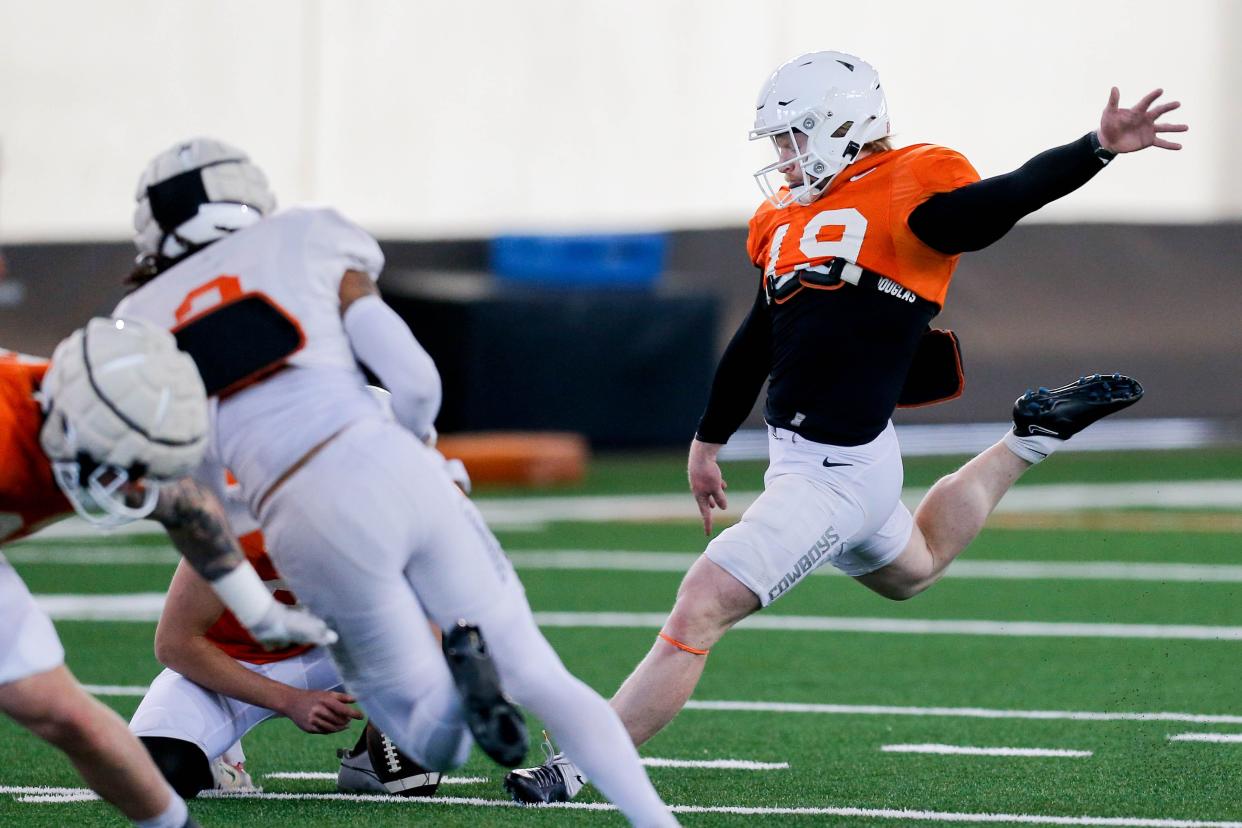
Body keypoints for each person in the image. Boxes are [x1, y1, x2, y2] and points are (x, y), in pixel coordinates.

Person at [503, 50, 1185, 803]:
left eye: (793, 136)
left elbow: (999, 202)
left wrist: (1093, 150)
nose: (783, 156)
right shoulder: (785, 220)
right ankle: (1030, 438)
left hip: (829, 472)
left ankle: (578, 764)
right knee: (914, 567)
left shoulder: (912, 186)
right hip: (845, 462)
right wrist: (709, 435)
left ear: (843, 123)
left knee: (701, 606)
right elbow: (760, 333)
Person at [113, 138, 676, 826]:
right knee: (538, 672)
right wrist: (422, 452)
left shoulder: (148, 325)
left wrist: (266, 592)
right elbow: (414, 380)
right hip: (399, 461)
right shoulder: (312, 235)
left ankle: (453, 715)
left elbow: (201, 503)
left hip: (305, 506)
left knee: (430, 732)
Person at [0, 319, 334, 828]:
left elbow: (188, 512)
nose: (122, 484)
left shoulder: (100, 414)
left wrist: (260, 613)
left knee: (63, 712)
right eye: (108, 463)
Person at [130, 443, 473, 800]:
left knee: (416, 748)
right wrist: (291, 700)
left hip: (337, 653)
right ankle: (221, 764)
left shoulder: (405, 506)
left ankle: (368, 764)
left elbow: (434, 616)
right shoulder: (236, 506)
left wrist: (408, 696)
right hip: (231, 662)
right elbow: (175, 642)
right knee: (158, 771)